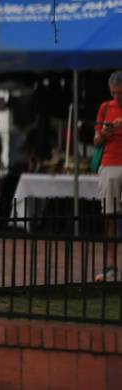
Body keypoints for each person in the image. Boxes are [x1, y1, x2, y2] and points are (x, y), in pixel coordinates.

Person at [93, 70, 122, 282]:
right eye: (114, 93)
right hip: (109, 163)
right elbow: (95, 141)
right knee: (110, 216)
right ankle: (111, 266)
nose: (117, 97)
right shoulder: (105, 107)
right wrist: (105, 132)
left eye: (120, 93)